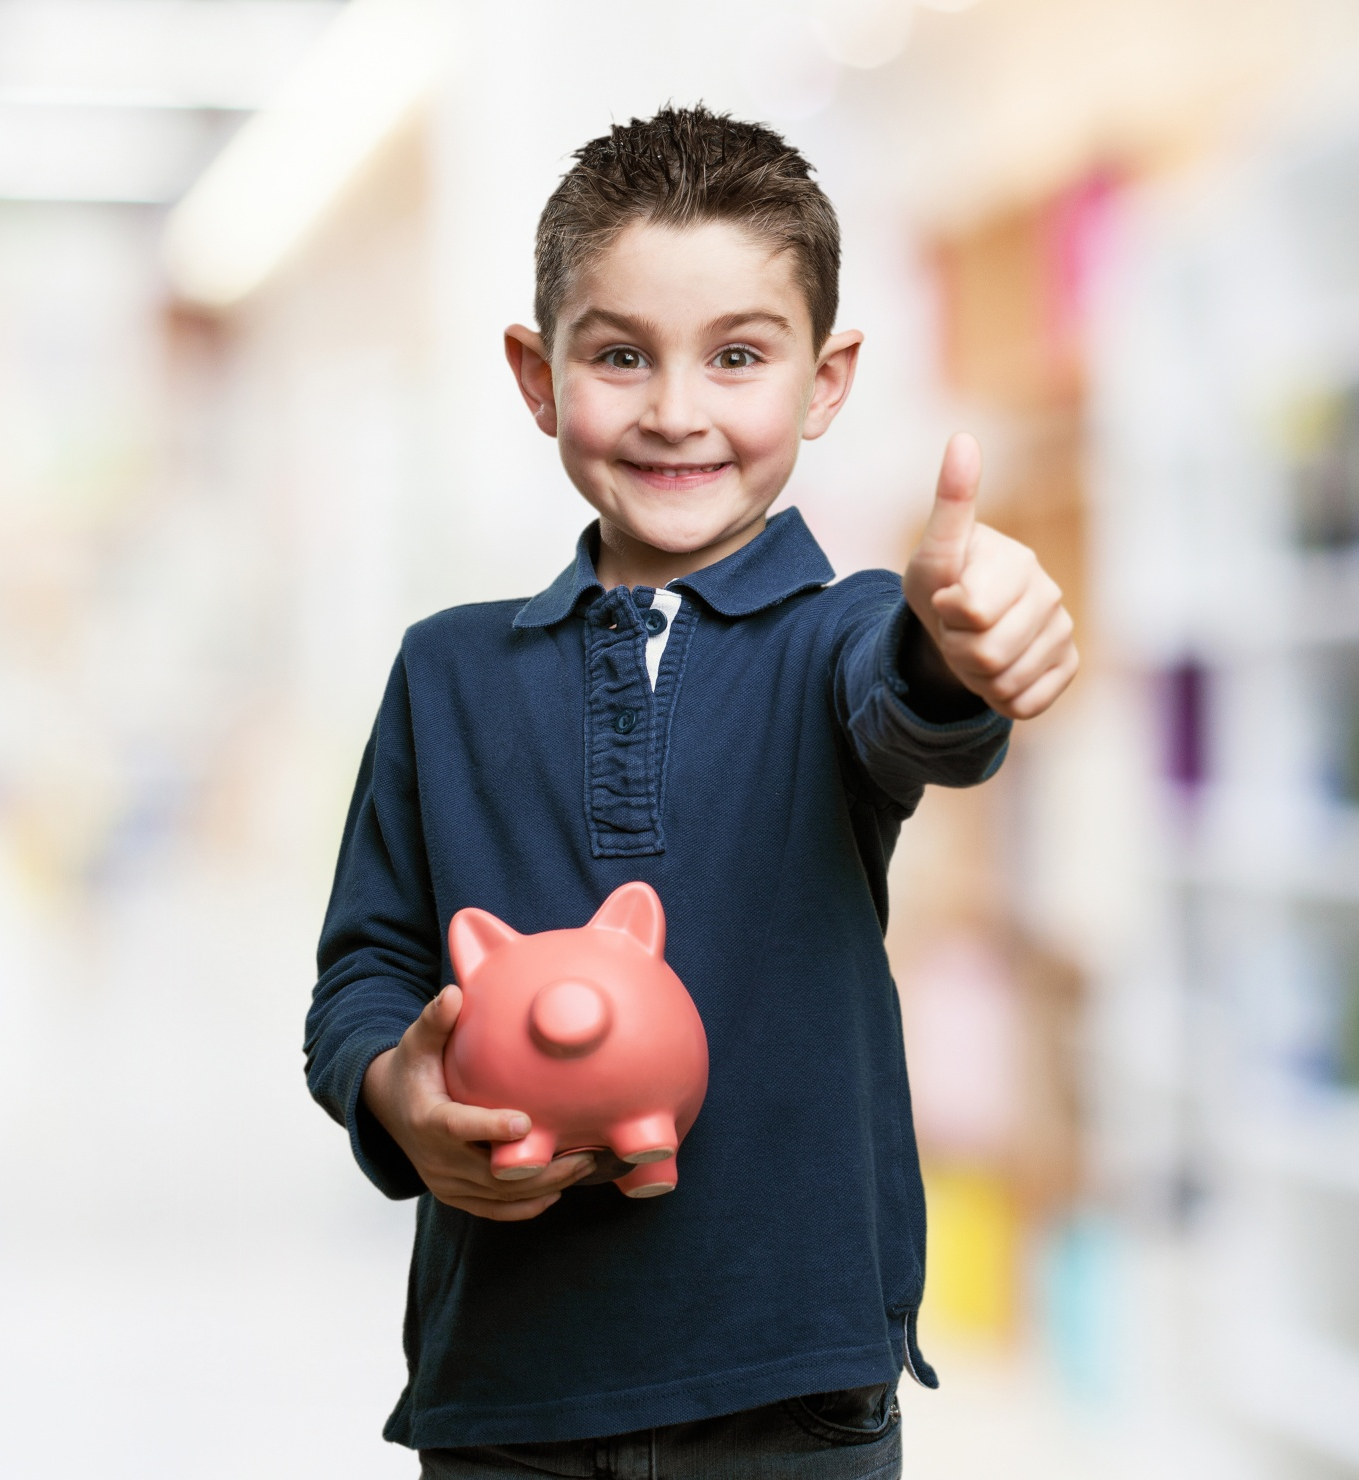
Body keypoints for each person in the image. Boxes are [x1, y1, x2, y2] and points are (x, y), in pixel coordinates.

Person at [304, 105, 1077, 1479]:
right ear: (537, 375)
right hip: (513, 1390)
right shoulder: (445, 674)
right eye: (619, 356)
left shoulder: (839, 636)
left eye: (737, 356)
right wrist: (401, 1096)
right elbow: (364, 966)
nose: (675, 410)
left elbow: (915, 713)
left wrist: (960, 645)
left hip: (792, 1393)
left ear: (826, 381)